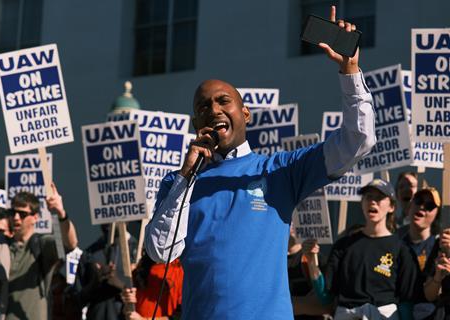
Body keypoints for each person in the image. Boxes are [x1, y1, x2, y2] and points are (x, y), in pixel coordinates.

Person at [144, 6, 376, 319]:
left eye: (223, 101)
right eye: (203, 106)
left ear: (246, 113)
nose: (214, 109)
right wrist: (186, 175)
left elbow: (357, 140)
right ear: (194, 121)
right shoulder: (178, 183)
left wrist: (350, 73)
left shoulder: (280, 170)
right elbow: (162, 251)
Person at [304, 179, 417, 319]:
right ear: (362, 203)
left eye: (380, 197)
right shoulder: (343, 246)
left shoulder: (402, 250)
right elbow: (326, 297)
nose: (373, 202)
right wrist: (311, 261)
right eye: (369, 197)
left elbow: (406, 302)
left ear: (392, 207)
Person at [0, 183, 78, 320]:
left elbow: (70, 244)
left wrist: (60, 213)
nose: (16, 218)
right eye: (12, 213)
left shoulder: (41, 243)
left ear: (35, 218)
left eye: (22, 214)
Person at [401, 187, 450, 319]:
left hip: (429, 313)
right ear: (410, 206)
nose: (422, 207)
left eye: (429, 205)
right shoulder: (395, 243)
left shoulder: (441, 245)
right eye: (418, 200)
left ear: (436, 214)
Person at [72, 224, 137, 320]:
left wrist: (120, 284)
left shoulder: (139, 252)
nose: (108, 222)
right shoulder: (90, 254)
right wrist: (96, 282)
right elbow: (77, 299)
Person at [121, 251, 184, 320]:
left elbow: (180, 316)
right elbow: (126, 310)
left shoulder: (180, 270)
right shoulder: (141, 268)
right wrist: (128, 303)